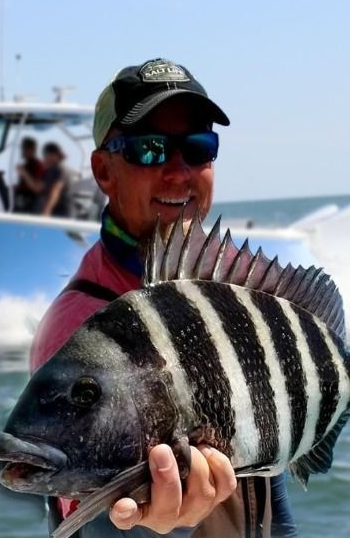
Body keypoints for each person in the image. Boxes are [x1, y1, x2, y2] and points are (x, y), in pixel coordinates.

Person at [30, 58, 297, 537]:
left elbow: (272, 497)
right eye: (149, 150)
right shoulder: (80, 327)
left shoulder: (238, 290)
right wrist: (150, 521)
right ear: (103, 171)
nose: (178, 172)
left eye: (198, 148)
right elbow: (81, 502)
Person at [14, 137, 44, 213]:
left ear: (32, 150)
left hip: (30, 203)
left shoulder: (38, 165)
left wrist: (24, 174)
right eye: (22, 148)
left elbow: (37, 188)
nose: (22, 151)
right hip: (21, 199)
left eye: (24, 149)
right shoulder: (26, 165)